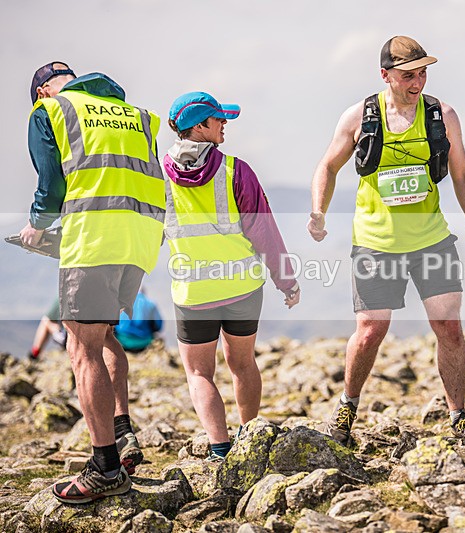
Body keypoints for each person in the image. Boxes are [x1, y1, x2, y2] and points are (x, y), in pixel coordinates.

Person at [308, 36, 465, 445]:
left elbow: (463, 175)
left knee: (448, 326)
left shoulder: (441, 115)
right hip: (376, 242)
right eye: (409, 75)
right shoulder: (359, 116)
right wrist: (319, 211)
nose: (418, 82)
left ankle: (458, 416)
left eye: (424, 73)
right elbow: (328, 165)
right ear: (386, 76)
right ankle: (347, 408)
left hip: (432, 240)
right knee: (370, 330)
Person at [20, 62, 165, 502]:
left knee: (81, 348)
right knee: (104, 340)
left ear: (43, 91)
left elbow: (51, 186)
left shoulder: (51, 111)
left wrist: (36, 226)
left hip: (94, 239)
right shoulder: (137, 115)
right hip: (140, 240)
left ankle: (104, 468)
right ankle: (121, 434)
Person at [163, 91, 300, 460]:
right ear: (199, 126)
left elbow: (146, 232)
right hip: (242, 288)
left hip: (193, 292)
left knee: (199, 374)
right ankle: (249, 437)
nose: (225, 124)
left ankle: (220, 449)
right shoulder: (236, 170)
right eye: (218, 119)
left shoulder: (157, 175)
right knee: (242, 363)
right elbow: (265, 232)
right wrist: (286, 280)